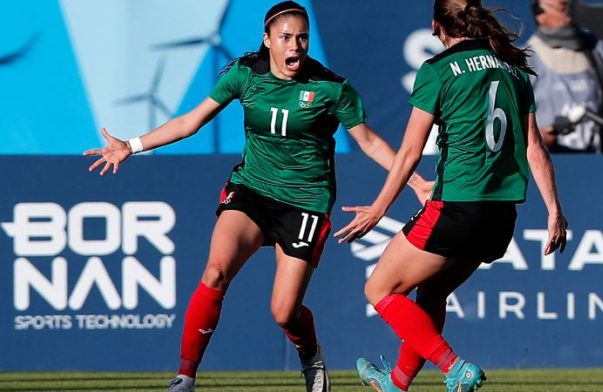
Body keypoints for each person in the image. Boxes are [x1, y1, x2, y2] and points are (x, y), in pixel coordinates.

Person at [83, 2, 431, 392]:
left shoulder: (331, 87)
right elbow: (189, 122)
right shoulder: (243, 75)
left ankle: (311, 356)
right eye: (286, 38)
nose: (295, 46)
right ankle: (185, 377)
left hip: (305, 202)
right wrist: (131, 145)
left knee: (284, 312)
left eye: (302, 37)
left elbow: (369, 143)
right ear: (268, 41)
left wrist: (416, 182)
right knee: (216, 269)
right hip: (252, 190)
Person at [334, 0, 568, 391]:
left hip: (458, 204)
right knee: (434, 291)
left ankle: (454, 367)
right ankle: (397, 382)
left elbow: (409, 152)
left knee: (379, 289)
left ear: (435, 27)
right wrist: (554, 212)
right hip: (501, 216)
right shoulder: (514, 70)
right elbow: (535, 149)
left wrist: (379, 207)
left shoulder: (438, 70)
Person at [528, 0, 603, 153]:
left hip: (600, 161)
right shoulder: (524, 61)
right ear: (539, 14)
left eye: (573, 6)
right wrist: (531, 137)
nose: (571, 13)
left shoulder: (602, 51)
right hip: (556, 165)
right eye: (563, 7)